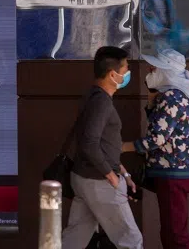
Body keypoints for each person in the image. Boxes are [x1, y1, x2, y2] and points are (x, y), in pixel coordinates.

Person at [61, 46, 143, 249]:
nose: (127, 74)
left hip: (84, 178)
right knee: (131, 240)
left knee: (74, 238)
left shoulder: (92, 96)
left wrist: (123, 173)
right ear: (113, 74)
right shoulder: (102, 103)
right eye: (125, 69)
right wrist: (112, 176)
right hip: (99, 182)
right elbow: (90, 142)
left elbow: (106, 143)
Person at [122, 47, 189, 249]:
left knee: (175, 233)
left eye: (154, 69)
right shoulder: (175, 97)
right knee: (171, 230)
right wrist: (151, 103)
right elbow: (162, 128)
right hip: (173, 173)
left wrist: (123, 147)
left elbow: (157, 138)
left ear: (165, 71)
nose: (150, 71)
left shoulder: (172, 98)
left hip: (172, 174)